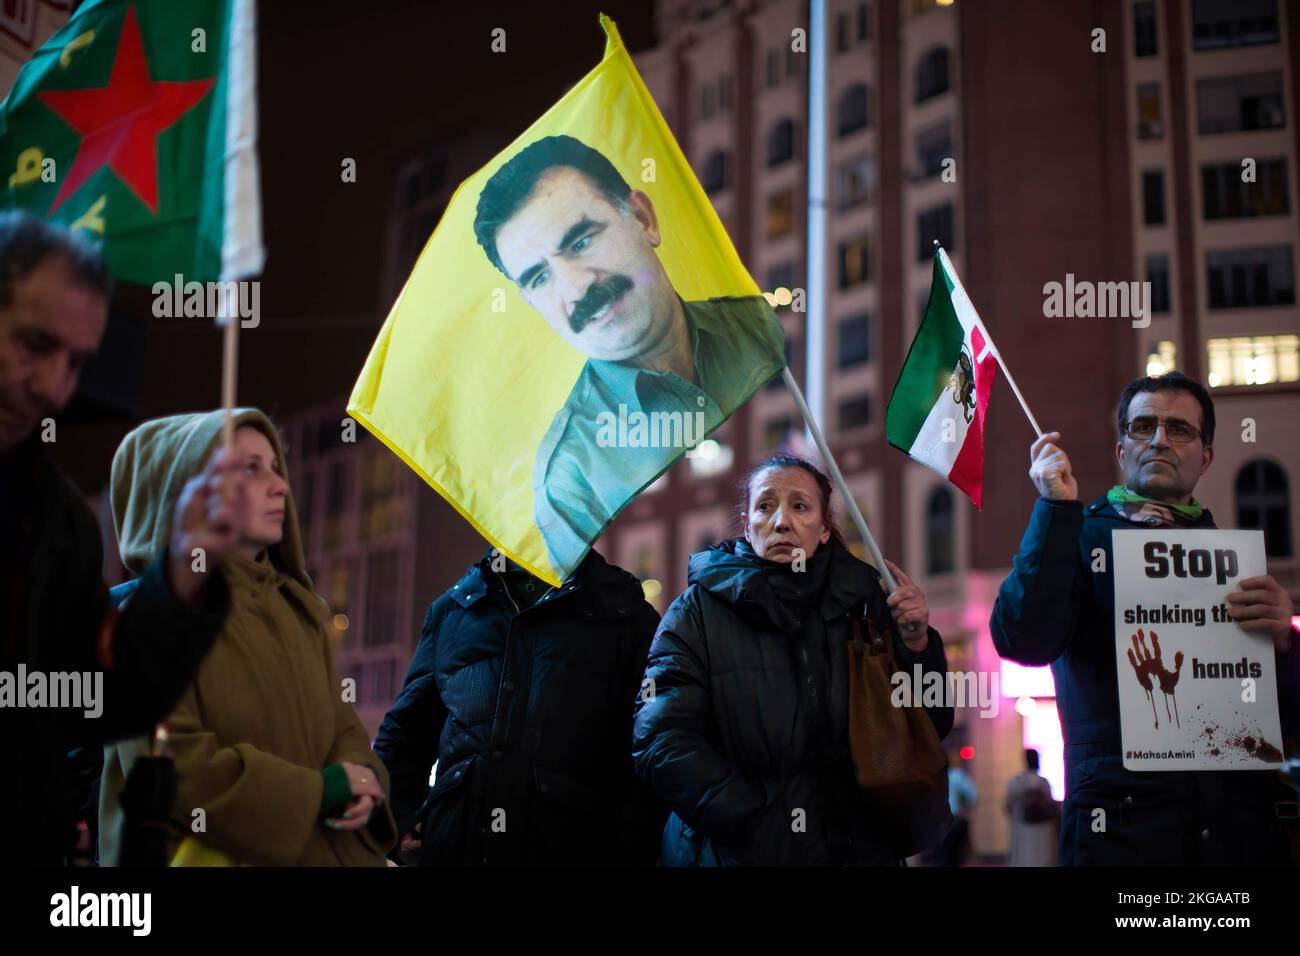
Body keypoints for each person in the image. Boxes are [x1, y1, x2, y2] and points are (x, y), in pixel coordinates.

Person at [0, 212, 248, 866]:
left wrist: (186, 568)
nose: (53, 386)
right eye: (33, 344)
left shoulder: (59, 520)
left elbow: (100, 702)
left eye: (76, 362)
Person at [990, 370, 1298, 865]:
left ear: (1206, 457)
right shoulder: (1076, 536)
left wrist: (1285, 644)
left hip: (1234, 836)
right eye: (1142, 427)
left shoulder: (1238, 567)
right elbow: (1021, 637)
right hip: (1118, 835)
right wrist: (1053, 510)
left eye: (1180, 429)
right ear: (1121, 451)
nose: (1159, 439)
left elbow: (1284, 721)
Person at [472, 134, 786, 572]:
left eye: (580, 242)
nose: (576, 287)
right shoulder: (569, 479)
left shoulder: (760, 330)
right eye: (540, 278)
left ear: (643, 218)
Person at [99, 410, 396, 865]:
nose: (280, 486)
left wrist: (364, 781)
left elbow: (343, 727)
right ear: (186, 491)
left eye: (276, 468)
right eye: (250, 469)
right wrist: (320, 791)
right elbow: (175, 768)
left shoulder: (300, 612)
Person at [632, 454, 953, 865]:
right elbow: (660, 738)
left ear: (823, 530)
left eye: (799, 506)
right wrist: (753, 823)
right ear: (747, 526)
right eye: (765, 506)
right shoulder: (696, 614)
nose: (781, 521)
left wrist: (917, 642)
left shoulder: (866, 606)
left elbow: (930, 723)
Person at [374, 548, 665, 865]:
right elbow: (405, 736)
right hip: (454, 849)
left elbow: (648, 756)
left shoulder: (629, 619)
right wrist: (397, 825)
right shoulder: (452, 611)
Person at [1004, 749, 1057, 867]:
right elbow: (1050, 805)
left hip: (1021, 828)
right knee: (1041, 857)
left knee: (1023, 857)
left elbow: (1007, 806)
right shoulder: (1044, 783)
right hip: (1043, 829)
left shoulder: (1015, 783)